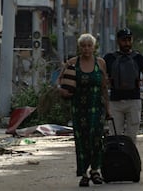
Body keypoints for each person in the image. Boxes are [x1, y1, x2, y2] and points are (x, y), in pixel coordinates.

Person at [57, 33, 110, 187]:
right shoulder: (73, 63)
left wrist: (108, 109)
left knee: (96, 138)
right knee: (81, 141)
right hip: (79, 109)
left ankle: (95, 170)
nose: (86, 48)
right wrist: (61, 90)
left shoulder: (100, 63)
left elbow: (104, 88)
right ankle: (84, 174)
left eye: (89, 45)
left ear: (94, 47)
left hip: (96, 108)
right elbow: (59, 80)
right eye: (83, 46)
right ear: (79, 47)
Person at [103, 27, 143, 143]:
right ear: (118, 41)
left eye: (129, 40)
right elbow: (102, 76)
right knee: (114, 135)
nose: (127, 43)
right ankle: (116, 159)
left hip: (133, 101)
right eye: (124, 40)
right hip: (115, 102)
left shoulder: (138, 57)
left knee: (132, 136)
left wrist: (140, 83)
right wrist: (107, 81)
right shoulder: (109, 58)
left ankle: (130, 159)